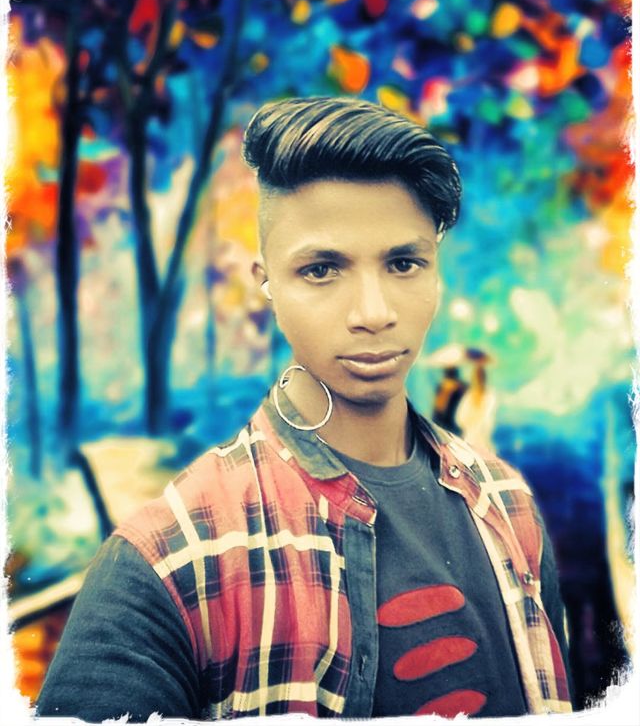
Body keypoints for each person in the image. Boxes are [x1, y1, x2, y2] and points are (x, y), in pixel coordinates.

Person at [37, 97, 573, 720]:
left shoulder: (509, 508)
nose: (373, 312)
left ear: (436, 273)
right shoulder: (170, 561)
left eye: (404, 263)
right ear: (266, 283)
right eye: (321, 270)